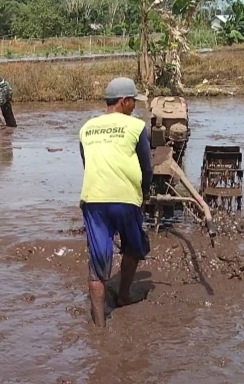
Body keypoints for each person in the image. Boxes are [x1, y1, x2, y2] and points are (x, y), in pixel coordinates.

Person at [78, 77, 153, 327]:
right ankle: (122, 295)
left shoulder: (86, 128)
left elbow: (87, 163)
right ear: (124, 101)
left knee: (97, 263)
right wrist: (143, 194)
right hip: (124, 199)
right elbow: (146, 167)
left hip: (93, 199)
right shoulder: (136, 127)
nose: (135, 106)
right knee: (133, 246)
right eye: (133, 102)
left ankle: (99, 325)